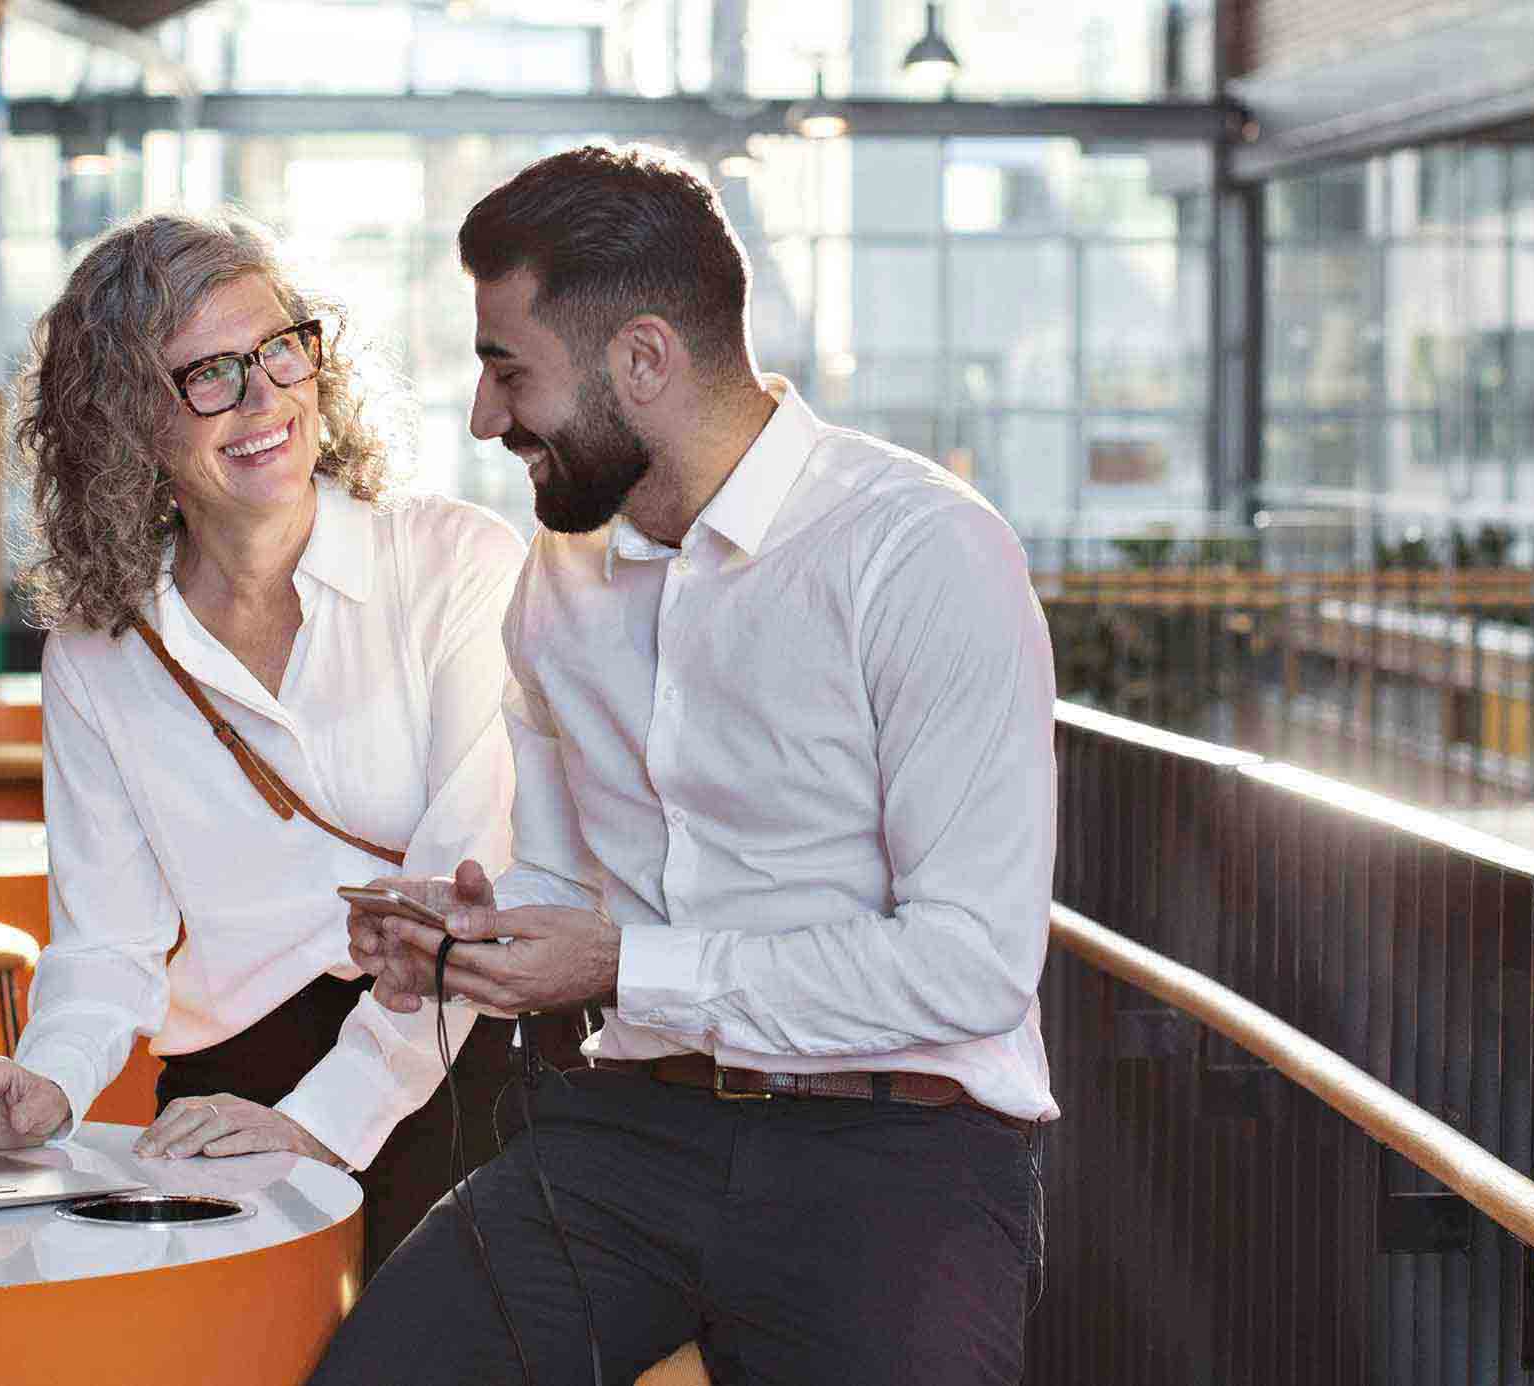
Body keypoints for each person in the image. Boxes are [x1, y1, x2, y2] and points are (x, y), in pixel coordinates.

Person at [319, 144, 1059, 1385]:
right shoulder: (556, 583)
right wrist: (472, 942)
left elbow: (970, 968)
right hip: (629, 1130)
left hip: (900, 1155)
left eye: (509, 372)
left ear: (643, 361)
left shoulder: (922, 553)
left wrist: (619, 962)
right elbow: (565, 886)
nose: (483, 418)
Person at [0, 211, 574, 1274]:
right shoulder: (101, 652)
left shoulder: (452, 564)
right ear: (123, 424)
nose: (263, 400)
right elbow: (108, 943)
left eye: (279, 350)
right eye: (206, 374)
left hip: (458, 1049)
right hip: (231, 1080)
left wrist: (320, 1122)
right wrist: (50, 1082)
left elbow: (466, 886)